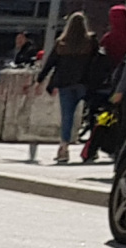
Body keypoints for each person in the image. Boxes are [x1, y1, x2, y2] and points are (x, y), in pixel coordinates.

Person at [37, 11, 97, 164]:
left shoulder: (61, 43)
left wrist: (40, 80)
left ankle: (64, 148)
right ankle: (91, 148)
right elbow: (97, 62)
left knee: (67, 116)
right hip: (84, 83)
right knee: (92, 115)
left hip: (65, 84)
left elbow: (50, 63)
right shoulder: (90, 42)